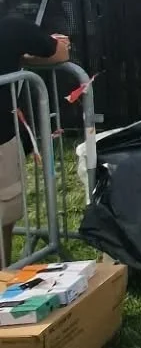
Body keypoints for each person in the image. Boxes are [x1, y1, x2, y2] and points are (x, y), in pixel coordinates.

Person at [0, 15, 70, 265]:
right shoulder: (10, 27)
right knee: (4, 211)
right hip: (2, 139)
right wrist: (23, 57)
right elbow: (60, 52)